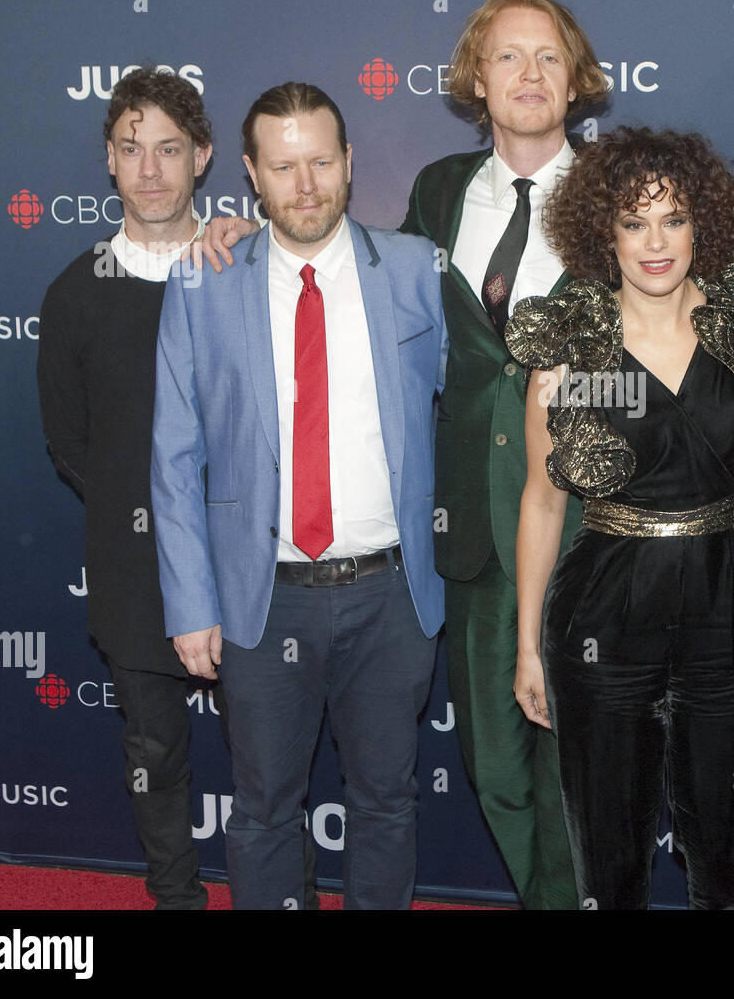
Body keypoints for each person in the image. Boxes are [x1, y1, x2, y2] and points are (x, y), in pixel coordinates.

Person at [150, 82, 446, 909]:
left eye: (321, 161)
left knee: (387, 804)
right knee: (264, 812)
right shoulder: (203, 285)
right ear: (250, 174)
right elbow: (174, 457)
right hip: (260, 599)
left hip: (392, 597)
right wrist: (189, 602)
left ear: (351, 163)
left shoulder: (418, 272)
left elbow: (482, 412)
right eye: (283, 167)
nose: (306, 184)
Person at [507, 127, 734, 909]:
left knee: (725, 856)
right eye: (633, 222)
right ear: (603, 233)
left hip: (728, 613)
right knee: (610, 857)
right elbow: (542, 499)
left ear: (705, 226)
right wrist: (527, 647)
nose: (655, 242)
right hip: (605, 619)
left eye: (674, 219)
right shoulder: (570, 353)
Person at [397, 0, 608, 909]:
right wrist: (245, 240)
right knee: (495, 764)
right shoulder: (439, 192)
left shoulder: (620, 196)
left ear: (577, 80)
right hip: (477, 522)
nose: (530, 74)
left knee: (582, 765)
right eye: (509, 56)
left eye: (549, 56)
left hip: (596, 522)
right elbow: (374, 290)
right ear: (475, 80)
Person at [37, 67, 213, 909]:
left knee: (273, 757)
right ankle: (175, 899)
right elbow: (70, 444)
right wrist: (138, 508)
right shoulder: (74, 295)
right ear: (108, 158)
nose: (151, 171)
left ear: (203, 158)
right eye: (132, 149)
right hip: (130, 565)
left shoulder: (247, 269)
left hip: (256, 561)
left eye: (169, 150)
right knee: (155, 751)